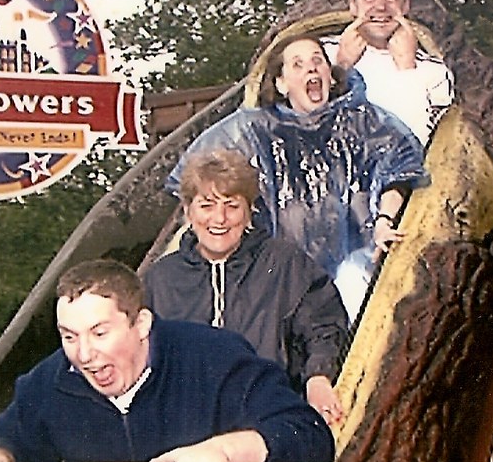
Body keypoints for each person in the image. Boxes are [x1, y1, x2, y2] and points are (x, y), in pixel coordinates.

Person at [0, 259, 334, 462]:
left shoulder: (214, 357)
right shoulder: (48, 384)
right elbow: (8, 440)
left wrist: (223, 451)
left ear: (140, 325)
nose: (85, 354)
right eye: (69, 337)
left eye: (100, 332)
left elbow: (311, 436)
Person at [165, 35, 429, 316]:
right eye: (298, 64)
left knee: (352, 284)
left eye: (318, 60)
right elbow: (197, 179)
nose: (311, 69)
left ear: (330, 74)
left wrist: (385, 220)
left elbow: (397, 165)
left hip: (353, 271)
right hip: (275, 280)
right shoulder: (251, 131)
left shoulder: (360, 121)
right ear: (281, 82)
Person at [143, 149, 348, 425]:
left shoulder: (285, 262)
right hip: (185, 427)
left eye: (232, 205)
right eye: (207, 205)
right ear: (187, 211)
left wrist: (318, 378)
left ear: (249, 210)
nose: (219, 219)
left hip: (269, 420)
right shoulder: (160, 279)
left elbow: (324, 325)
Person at [322, 0, 454, 145]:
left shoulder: (434, 72)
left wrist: (407, 71)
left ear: (405, 5)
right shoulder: (319, 55)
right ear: (353, 5)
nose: (381, 6)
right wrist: (341, 66)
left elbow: (425, 148)